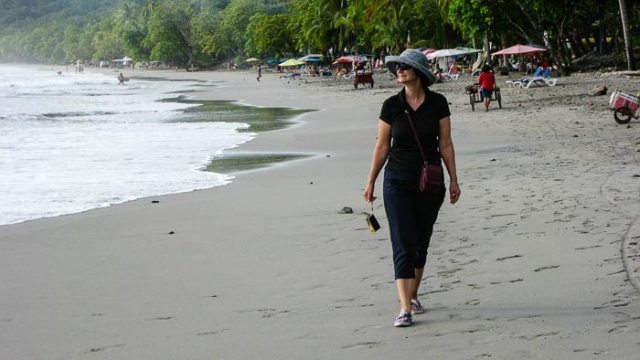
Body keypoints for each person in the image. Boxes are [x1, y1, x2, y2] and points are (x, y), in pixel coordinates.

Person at [363, 49, 461, 328]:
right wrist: (371, 181)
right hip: (396, 180)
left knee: (420, 242)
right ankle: (404, 308)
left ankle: (413, 295)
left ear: (418, 72)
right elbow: (382, 146)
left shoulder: (438, 103)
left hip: (430, 181)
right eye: (396, 68)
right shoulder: (391, 106)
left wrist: (454, 179)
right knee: (403, 243)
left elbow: (446, 144)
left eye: (404, 67)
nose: (399, 72)